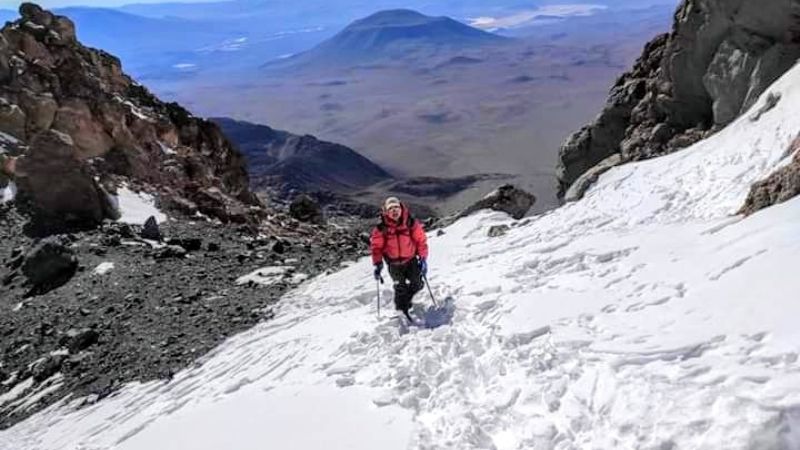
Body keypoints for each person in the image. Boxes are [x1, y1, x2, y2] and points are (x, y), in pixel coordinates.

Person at [370, 197, 428, 320]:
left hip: (411, 260)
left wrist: (423, 258)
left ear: (401, 209)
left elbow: (421, 241)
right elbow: (377, 248)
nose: (394, 211)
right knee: (400, 287)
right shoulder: (381, 228)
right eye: (390, 209)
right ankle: (402, 311)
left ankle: (406, 300)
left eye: (396, 207)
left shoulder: (410, 223)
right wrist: (378, 263)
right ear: (386, 212)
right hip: (394, 264)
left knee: (417, 283)